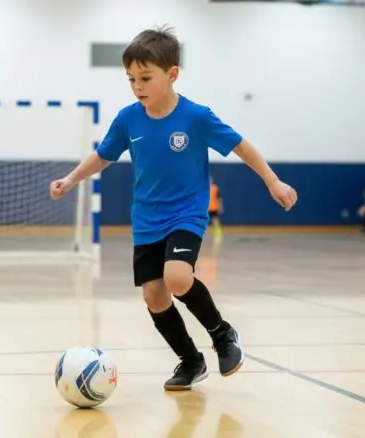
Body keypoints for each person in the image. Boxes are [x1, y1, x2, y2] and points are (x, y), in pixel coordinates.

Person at [49, 26, 297, 391]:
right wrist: (71, 180)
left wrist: (273, 180)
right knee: (154, 295)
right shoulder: (128, 119)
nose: (138, 86)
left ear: (172, 74)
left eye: (145, 78)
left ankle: (223, 334)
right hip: (146, 219)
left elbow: (242, 146)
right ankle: (191, 360)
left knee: (177, 277)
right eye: (131, 79)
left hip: (187, 214)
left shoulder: (196, 117)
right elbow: (104, 156)